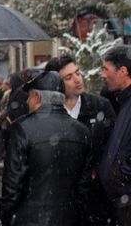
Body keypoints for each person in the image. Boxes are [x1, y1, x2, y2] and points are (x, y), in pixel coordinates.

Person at [0, 71, 92, 226]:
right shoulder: (82, 131)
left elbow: (12, 183)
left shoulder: (22, 128)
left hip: (30, 219)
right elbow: (84, 186)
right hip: (70, 218)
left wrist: (7, 216)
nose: (27, 101)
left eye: (29, 97)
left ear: (37, 98)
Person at [45, 55, 117, 225]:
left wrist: (97, 171)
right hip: (59, 201)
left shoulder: (101, 106)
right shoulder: (47, 113)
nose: (77, 79)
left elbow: (114, 149)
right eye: (68, 77)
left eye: (77, 73)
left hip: (96, 200)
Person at [99, 45, 131, 225]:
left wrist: (120, 176)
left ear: (123, 71)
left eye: (106, 69)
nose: (103, 75)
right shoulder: (123, 101)